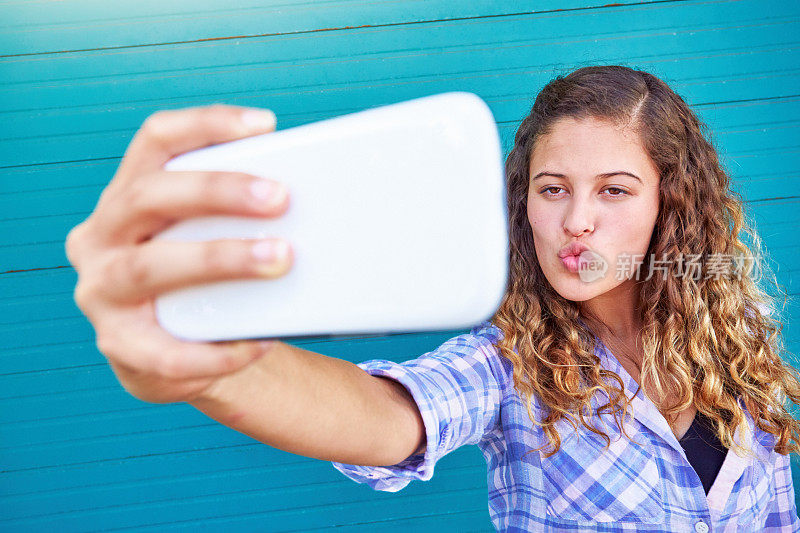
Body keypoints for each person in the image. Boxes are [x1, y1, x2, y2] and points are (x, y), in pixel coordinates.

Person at [65, 65, 800, 532]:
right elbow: (386, 416)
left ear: (668, 206)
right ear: (525, 205)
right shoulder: (509, 366)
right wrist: (214, 367)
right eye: (553, 189)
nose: (577, 219)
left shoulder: (735, 332)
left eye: (613, 190)